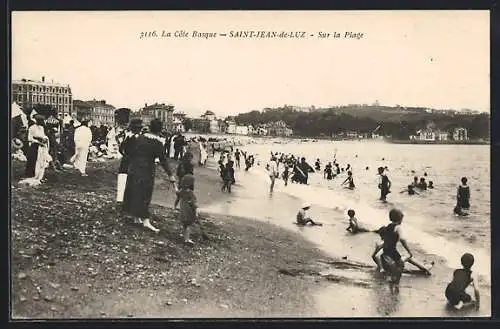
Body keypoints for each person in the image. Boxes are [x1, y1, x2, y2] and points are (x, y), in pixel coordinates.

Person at [121, 119, 176, 232]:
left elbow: (125, 150)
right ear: (159, 130)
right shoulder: (157, 143)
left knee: (135, 191)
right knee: (145, 193)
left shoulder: (139, 138)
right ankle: (145, 220)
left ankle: (136, 217)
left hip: (134, 167)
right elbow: (163, 160)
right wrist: (170, 174)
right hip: (146, 170)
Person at [372, 209, 430, 290]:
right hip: (392, 251)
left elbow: (386, 239)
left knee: (399, 263)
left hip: (386, 251)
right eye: (402, 219)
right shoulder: (398, 227)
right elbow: (402, 240)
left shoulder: (388, 226)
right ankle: (396, 282)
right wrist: (409, 251)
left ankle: (393, 278)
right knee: (401, 264)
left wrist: (377, 252)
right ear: (400, 219)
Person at [177, 174, 199, 245]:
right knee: (188, 225)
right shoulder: (191, 193)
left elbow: (177, 197)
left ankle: (185, 236)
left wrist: (175, 205)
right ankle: (187, 239)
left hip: (182, 209)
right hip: (188, 210)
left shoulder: (181, 191)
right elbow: (194, 204)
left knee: (185, 225)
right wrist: (196, 213)